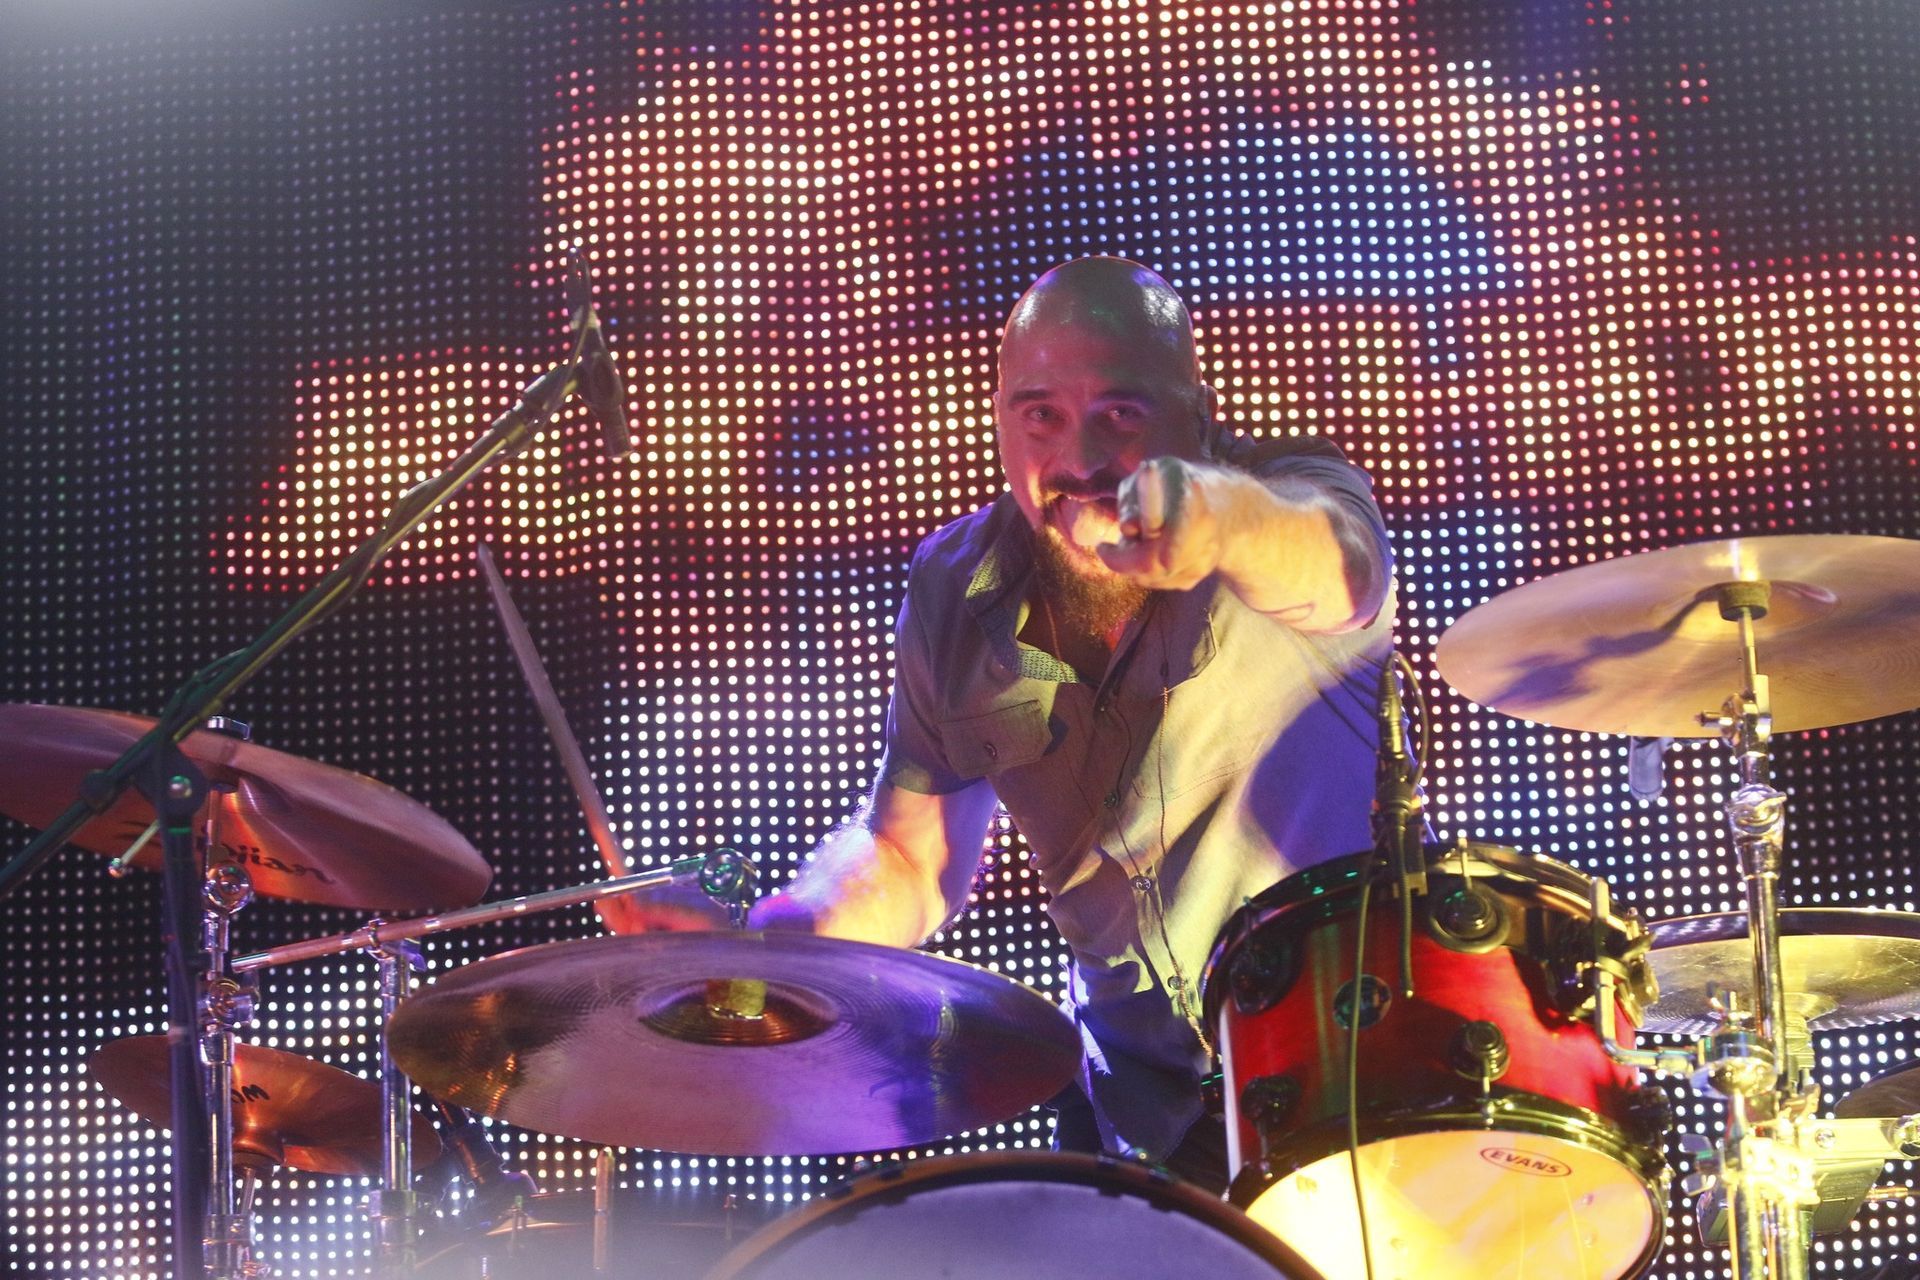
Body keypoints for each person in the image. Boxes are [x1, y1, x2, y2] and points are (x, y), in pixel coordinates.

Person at [749, 256, 1395, 1189]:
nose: (1082, 461)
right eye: (1041, 415)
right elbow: (909, 861)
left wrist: (1219, 521)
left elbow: (1342, 573)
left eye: (1121, 415)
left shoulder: (1288, 489)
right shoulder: (954, 588)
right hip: (1137, 1118)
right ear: (1002, 420)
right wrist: (770, 942)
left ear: (1197, 417)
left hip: (1353, 1086)